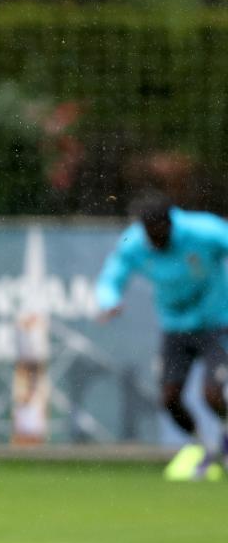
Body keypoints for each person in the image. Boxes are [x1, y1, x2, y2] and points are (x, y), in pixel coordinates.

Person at [96, 193, 228, 477]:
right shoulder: (135, 243)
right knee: (169, 398)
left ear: (169, 224)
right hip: (175, 327)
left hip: (217, 323)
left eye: (158, 232)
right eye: (148, 232)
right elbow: (113, 275)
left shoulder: (203, 231)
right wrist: (109, 300)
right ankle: (205, 448)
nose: (153, 240)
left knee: (213, 394)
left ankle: (225, 440)